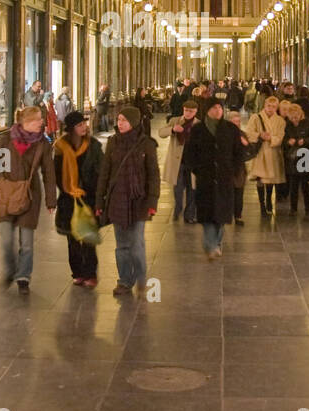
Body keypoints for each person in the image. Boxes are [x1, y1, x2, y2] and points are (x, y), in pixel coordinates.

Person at [0, 105, 57, 295]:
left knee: (27, 242)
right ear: (27, 122)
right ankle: (10, 269)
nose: (41, 122)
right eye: (38, 119)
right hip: (6, 194)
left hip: (29, 196)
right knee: (6, 239)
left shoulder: (42, 144)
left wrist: (51, 200)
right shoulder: (7, 140)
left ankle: (23, 276)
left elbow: (49, 173)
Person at [96, 107, 160, 296]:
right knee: (122, 245)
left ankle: (140, 277)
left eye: (124, 120)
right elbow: (105, 174)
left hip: (139, 201)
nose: (120, 123)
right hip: (117, 200)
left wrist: (152, 202)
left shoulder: (147, 144)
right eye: (119, 120)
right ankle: (124, 280)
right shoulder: (113, 142)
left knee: (137, 243)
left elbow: (153, 176)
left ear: (133, 122)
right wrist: (99, 202)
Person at [184, 100, 248, 259]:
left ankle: (216, 243)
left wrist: (233, 169)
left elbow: (239, 152)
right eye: (214, 107)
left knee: (221, 214)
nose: (218, 110)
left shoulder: (230, 129)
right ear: (207, 110)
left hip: (224, 177)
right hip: (205, 177)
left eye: (220, 107)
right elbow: (190, 153)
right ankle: (210, 243)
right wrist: (197, 169)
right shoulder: (198, 130)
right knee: (207, 214)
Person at [54, 110, 101, 287]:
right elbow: (57, 174)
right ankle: (78, 272)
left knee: (88, 237)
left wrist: (93, 191)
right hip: (68, 199)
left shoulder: (93, 145)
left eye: (84, 124)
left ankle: (90, 273)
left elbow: (101, 170)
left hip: (88, 197)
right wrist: (68, 190)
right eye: (80, 125)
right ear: (72, 129)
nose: (84, 127)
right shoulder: (60, 147)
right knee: (72, 238)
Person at [159, 99, 200, 224]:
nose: (188, 113)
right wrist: (172, 130)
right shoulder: (175, 121)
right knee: (178, 188)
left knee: (192, 189)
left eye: (191, 111)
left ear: (195, 112)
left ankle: (189, 214)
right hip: (178, 162)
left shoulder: (199, 124)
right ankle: (178, 209)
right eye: (186, 110)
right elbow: (161, 133)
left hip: (192, 162)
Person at [244, 96, 287, 215]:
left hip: (273, 153)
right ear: (264, 106)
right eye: (269, 106)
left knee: (270, 180)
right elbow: (248, 132)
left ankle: (268, 200)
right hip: (260, 153)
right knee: (261, 179)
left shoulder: (280, 121)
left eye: (273, 107)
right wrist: (259, 135)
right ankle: (262, 204)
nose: (270, 109)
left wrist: (272, 138)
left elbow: (280, 136)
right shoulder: (256, 117)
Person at [282, 101, 309, 215]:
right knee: (293, 183)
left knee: (305, 183)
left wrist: (305, 141)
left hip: (305, 155)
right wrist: (288, 142)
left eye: (296, 117)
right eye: (292, 117)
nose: (294, 120)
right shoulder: (288, 125)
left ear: (300, 114)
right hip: (293, 157)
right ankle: (293, 208)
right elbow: (284, 139)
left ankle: (307, 207)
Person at [226, 110, 263, 225]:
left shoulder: (242, 134)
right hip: (227, 167)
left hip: (239, 168)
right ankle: (227, 215)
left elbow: (250, 152)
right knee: (228, 192)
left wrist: (245, 143)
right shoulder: (223, 134)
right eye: (234, 122)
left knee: (239, 192)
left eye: (238, 122)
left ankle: (238, 216)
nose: (236, 124)